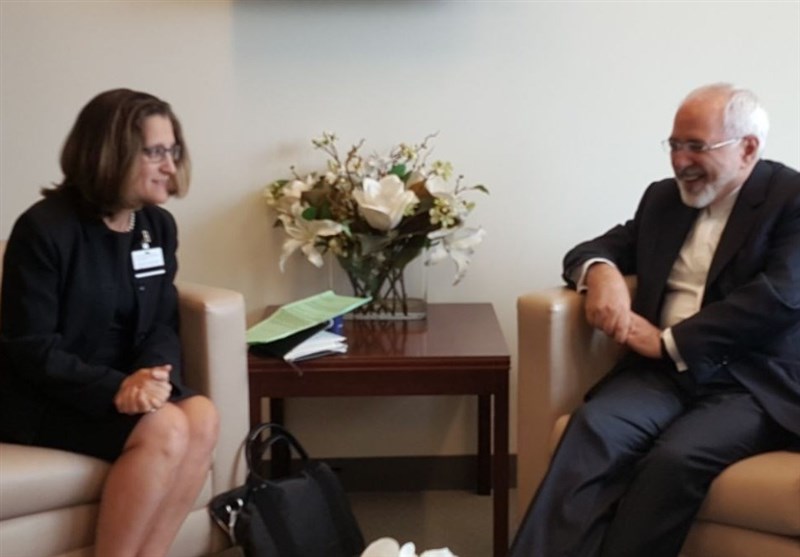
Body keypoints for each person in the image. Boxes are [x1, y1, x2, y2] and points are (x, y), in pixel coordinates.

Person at [509, 83, 800, 557]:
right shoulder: (664, 199)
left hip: (751, 383)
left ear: (748, 148)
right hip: (661, 377)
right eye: (674, 144)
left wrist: (669, 342)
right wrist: (600, 273)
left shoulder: (791, 198)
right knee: (594, 427)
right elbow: (593, 249)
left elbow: (781, 296)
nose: (680, 161)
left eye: (696, 146)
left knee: (676, 459)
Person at [0, 88, 219, 557]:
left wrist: (153, 375)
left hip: (127, 384)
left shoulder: (156, 226)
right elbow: (30, 347)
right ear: (111, 153)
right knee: (167, 427)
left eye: (174, 150)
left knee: (201, 416)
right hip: (48, 396)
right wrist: (115, 387)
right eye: (155, 152)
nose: (170, 166)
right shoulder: (44, 229)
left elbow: (162, 322)